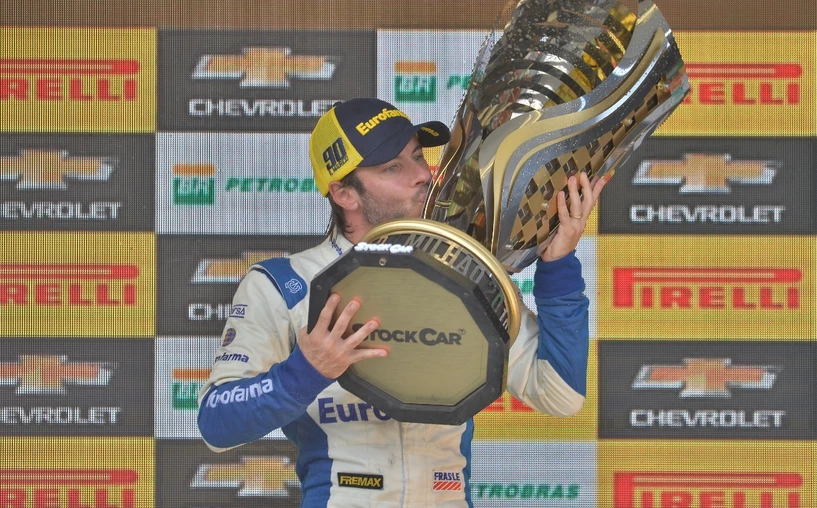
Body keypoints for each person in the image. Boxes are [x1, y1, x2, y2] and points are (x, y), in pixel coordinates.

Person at [196, 98, 607, 507]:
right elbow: (215, 423)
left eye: (417, 156)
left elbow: (559, 394)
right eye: (393, 167)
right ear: (344, 193)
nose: (423, 175)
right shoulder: (285, 284)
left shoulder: (466, 270)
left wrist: (559, 267)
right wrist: (305, 372)